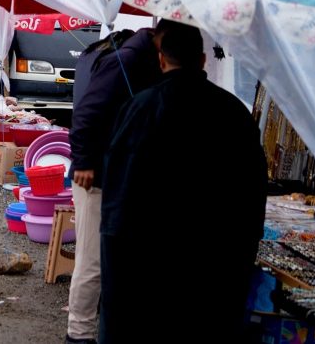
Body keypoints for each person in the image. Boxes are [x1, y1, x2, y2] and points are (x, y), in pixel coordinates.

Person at [99, 21, 266, 343]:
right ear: (203, 60)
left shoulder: (141, 107)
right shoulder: (234, 113)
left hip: (147, 260)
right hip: (214, 262)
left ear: (161, 60)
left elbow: (118, 191)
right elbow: (252, 193)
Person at [65, 28, 160, 344]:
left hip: (112, 174)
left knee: (103, 258)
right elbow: (86, 113)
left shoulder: (131, 55)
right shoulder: (127, 59)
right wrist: (84, 162)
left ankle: (100, 326)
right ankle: (78, 335)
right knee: (92, 259)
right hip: (95, 176)